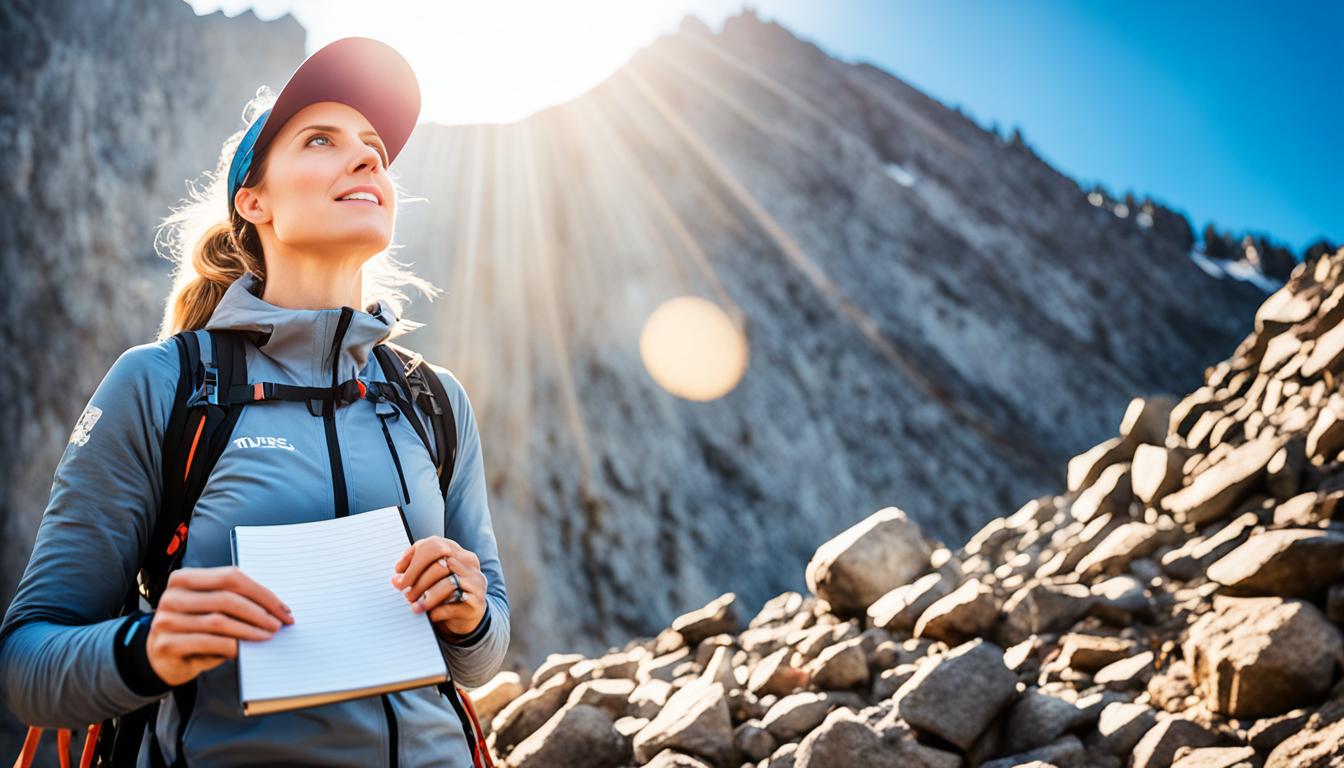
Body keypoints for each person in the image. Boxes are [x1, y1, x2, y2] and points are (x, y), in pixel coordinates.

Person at [0, 37, 510, 767]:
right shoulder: (162, 385)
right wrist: (147, 649)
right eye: (322, 140)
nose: (368, 158)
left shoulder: (433, 399)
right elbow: (26, 664)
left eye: (375, 147)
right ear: (254, 200)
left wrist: (469, 614)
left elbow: (482, 658)